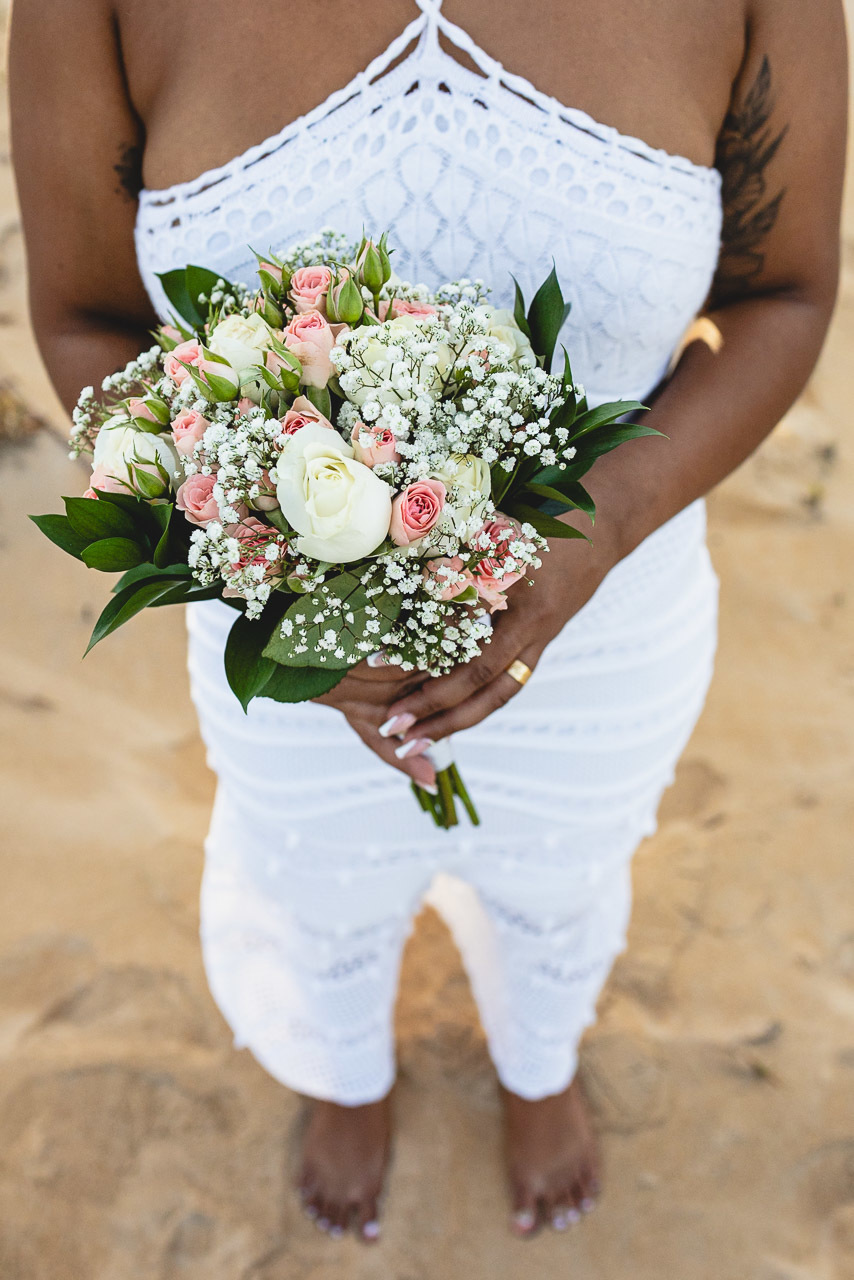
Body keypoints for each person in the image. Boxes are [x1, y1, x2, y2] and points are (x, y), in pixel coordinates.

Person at [10, 0, 846, 1244]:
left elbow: (778, 291)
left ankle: (537, 1061)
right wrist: (285, 580)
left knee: (564, 879)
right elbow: (87, 319)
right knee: (315, 892)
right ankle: (347, 1075)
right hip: (299, 661)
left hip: (610, 621)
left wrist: (601, 521)